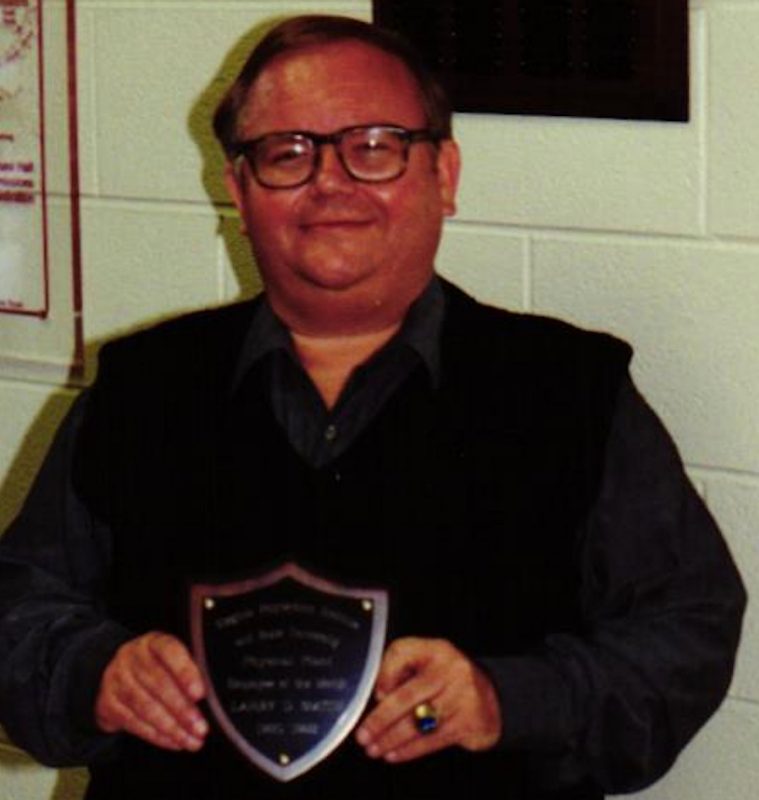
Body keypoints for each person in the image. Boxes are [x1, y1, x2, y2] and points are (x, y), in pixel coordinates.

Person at [0, 14, 746, 800]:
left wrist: (508, 700)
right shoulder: (140, 387)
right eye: (287, 153)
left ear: (443, 174)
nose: (330, 182)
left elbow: (685, 630)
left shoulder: (571, 391)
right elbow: (16, 601)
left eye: (375, 146)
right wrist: (93, 671)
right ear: (238, 188)